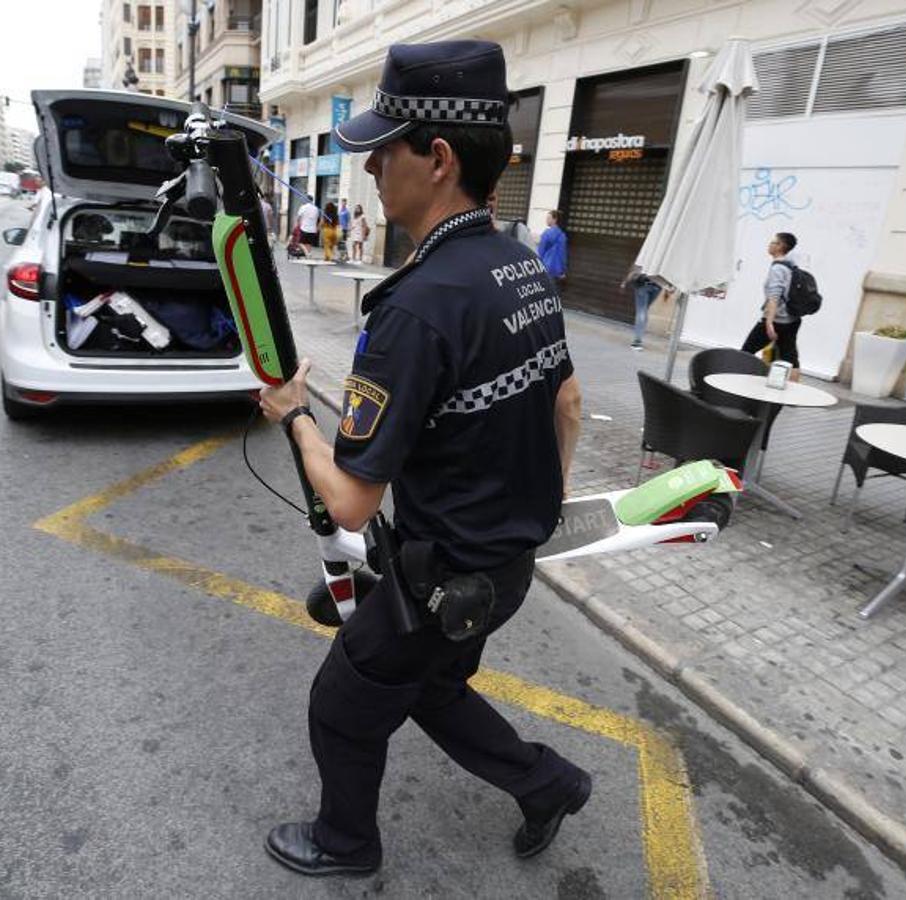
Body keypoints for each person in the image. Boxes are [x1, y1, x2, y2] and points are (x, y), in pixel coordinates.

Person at [256, 39, 589, 879]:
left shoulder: (417, 306)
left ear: (436, 158)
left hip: (442, 573)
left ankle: (345, 843)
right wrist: (532, 507)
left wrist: (295, 416)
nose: (369, 169)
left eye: (383, 149)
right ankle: (548, 783)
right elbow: (568, 404)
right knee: (432, 688)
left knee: (344, 703)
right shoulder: (521, 266)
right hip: (505, 565)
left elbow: (349, 506)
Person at [740, 232, 802, 377]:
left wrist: (769, 323)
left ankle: (738, 385)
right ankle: (795, 392)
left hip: (776, 320)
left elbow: (774, 298)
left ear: (780, 246)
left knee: (745, 352)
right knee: (790, 359)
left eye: (773, 242)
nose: (770, 244)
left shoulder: (778, 269)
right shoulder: (790, 267)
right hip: (792, 320)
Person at [621, 268, 663, 351]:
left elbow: (635, 267)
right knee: (644, 310)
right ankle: (639, 337)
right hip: (657, 286)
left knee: (641, 311)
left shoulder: (646, 255)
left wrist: (624, 282)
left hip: (643, 285)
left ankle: (637, 341)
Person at [536, 210, 567, 281]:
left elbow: (540, 252)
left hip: (545, 267)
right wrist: (563, 271)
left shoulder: (546, 234)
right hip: (557, 270)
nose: (546, 220)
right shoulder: (562, 235)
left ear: (555, 220)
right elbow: (563, 254)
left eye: (548, 218)